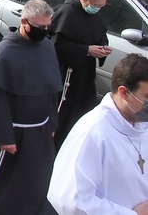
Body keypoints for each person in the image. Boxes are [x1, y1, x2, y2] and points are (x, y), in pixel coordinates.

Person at [0, 0, 62, 215]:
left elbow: (51, 89)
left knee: (33, 180)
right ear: (24, 21)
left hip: (39, 131)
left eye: (47, 27)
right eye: (40, 27)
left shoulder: (46, 46)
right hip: (11, 134)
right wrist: (4, 137)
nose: (44, 31)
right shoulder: (5, 52)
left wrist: (52, 122)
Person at [47, 53, 148, 214]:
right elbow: (69, 201)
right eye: (147, 98)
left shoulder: (141, 124)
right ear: (124, 93)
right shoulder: (93, 131)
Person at [50, 0, 112, 150]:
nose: (98, 9)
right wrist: (86, 50)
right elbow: (56, 45)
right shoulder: (67, 12)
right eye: (96, 5)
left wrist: (103, 48)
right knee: (62, 115)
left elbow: (101, 35)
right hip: (67, 75)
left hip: (85, 75)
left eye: (101, 6)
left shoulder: (95, 15)